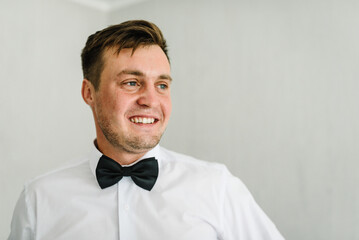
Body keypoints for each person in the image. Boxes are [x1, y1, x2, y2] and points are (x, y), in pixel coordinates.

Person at [8, 20, 285, 240]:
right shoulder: (38, 198)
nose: (151, 100)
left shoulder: (217, 187)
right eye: (131, 82)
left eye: (162, 85)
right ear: (89, 93)